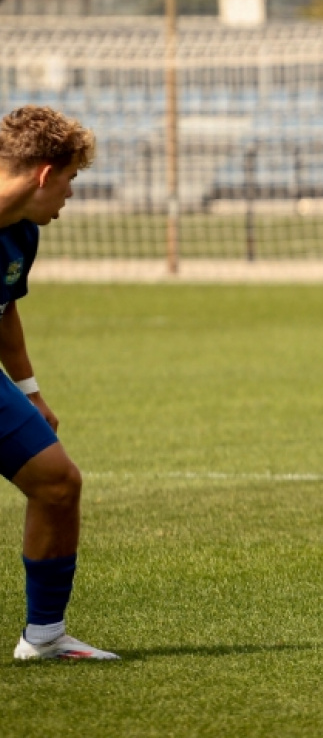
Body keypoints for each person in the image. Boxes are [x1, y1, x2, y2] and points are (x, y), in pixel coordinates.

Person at [0, 106, 119, 659]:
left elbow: (4, 310)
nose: (71, 195)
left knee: (57, 483)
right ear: (45, 175)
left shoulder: (21, 232)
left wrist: (30, 393)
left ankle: (44, 638)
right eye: (70, 179)